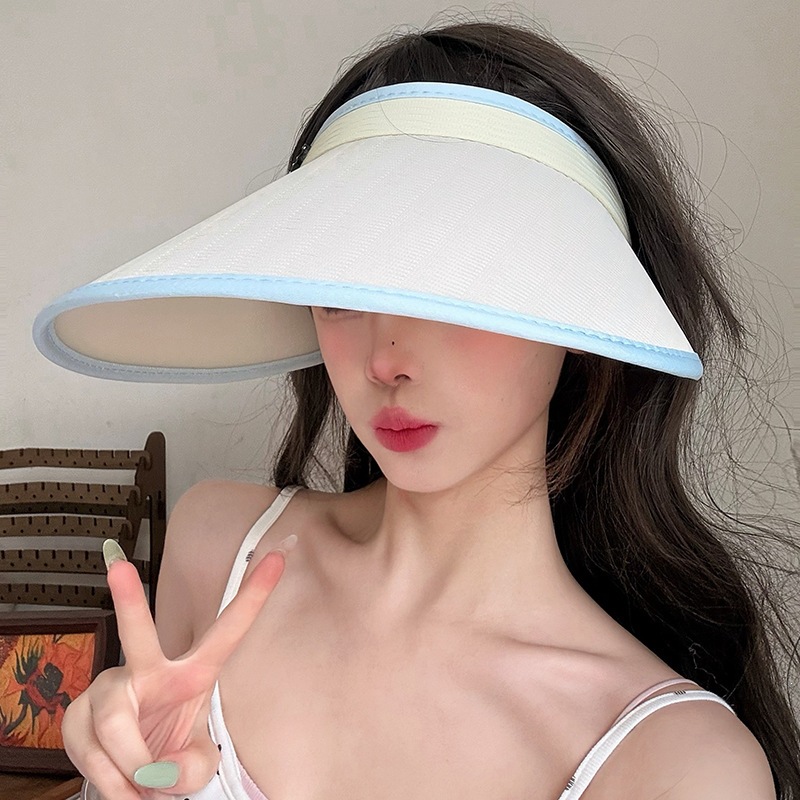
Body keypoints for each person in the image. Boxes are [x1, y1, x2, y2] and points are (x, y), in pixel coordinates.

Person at [41, 14, 798, 800]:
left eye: (456, 293)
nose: (385, 360)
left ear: (577, 315)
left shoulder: (677, 766)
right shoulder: (217, 548)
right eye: (343, 292)